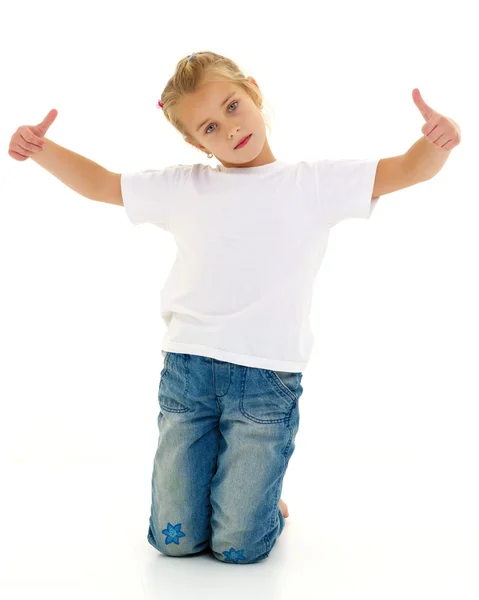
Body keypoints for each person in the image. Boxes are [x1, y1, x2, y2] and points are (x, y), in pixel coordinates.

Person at [8, 50, 381, 565]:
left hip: (267, 379)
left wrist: (436, 143)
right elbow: (102, 184)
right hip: (189, 370)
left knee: (239, 549)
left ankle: (259, 500)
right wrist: (41, 150)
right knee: (174, 541)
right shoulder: (186, 186)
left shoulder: (312, 183)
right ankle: (233, 494)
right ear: (194, 142)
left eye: (232, 107)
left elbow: (404, 170)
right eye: (209, 126)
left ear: (252, 90)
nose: (229, 129)